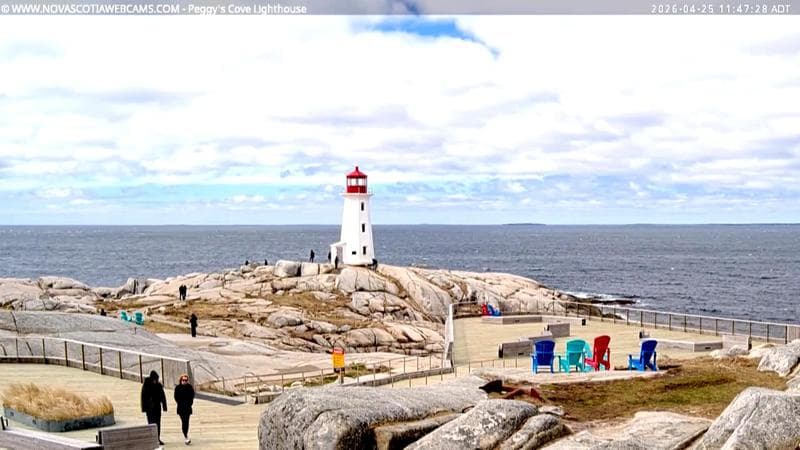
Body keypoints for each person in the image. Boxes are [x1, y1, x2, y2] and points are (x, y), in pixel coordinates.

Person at [140, 370, 167, 445]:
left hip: (157, 407)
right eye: (155, 379)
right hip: (149, 409)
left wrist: (164, 406)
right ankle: (152, 439)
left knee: (158, 423)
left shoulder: (158, 385)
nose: (156, 381)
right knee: (151, 424)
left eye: (156, 379)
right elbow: (143, 398)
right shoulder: (146, 385)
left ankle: (157, 438)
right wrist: (144, 408)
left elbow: (163, 396)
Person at [174, 373, 195, 445]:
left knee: (187, 422)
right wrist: (180, 403)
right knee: (183, 421)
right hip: (181, 408)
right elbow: (176, 397)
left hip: (188, 407)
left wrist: (190, 403)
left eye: (186, 380)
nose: (184, 381)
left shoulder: (190, 387)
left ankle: (186, 435)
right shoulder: (178, 388)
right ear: (181, 380)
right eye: (183, 380)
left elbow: (192, 396)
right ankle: (185, 435)